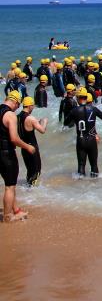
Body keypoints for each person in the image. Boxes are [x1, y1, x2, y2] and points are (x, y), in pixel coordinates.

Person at [1, 92, 37, 221]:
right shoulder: (10, 115)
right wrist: (28, 147)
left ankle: (15, 210)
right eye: (18, 105)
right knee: (10, 186)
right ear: (15, 102)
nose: (17, 108)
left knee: (10, 183)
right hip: (6, 153)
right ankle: (7, 216)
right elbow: (14, 139)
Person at [65, 88, 102, 177]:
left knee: (81, 164)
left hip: (81, 140)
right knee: (94, 165)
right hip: (92, 139)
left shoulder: (75, 110)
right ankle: (94, 185)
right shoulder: (93, 109)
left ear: (78, 97)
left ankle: (80, 187)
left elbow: (66, 122)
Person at [17, 97, 48, 186]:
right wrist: (44, 121)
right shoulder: (30, 118)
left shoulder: (17, 117)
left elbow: (26, 127)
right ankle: (32, 192)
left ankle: (27, 191)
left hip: (24, 148)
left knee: (30, 171)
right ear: (30, 106)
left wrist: (37, 122)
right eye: (33, 106)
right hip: (32, 148)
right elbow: (42, 130)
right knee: (36, 172)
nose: (33, 108)